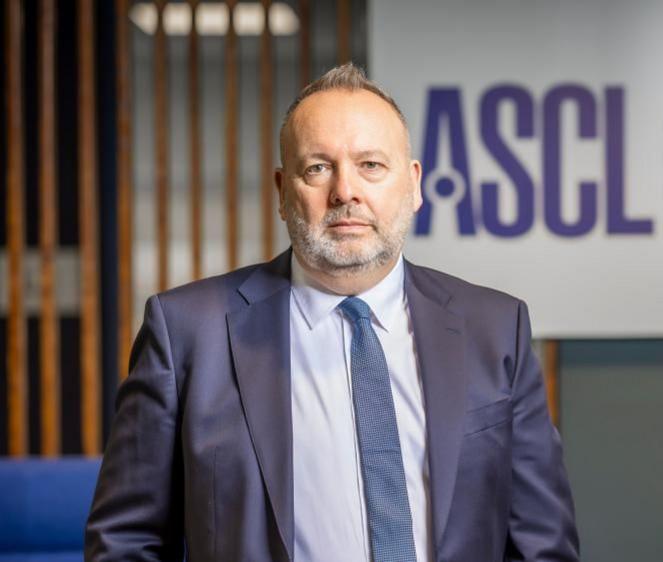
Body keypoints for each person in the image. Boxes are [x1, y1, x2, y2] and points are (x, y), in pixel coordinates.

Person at [85, 63, 579, 562]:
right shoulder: (188, 333)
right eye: (318, 167)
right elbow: (126, 543)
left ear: (412, 185)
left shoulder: (495, 329)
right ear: (282, 191)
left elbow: (542, 545)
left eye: (370, 165)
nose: (345, 192)